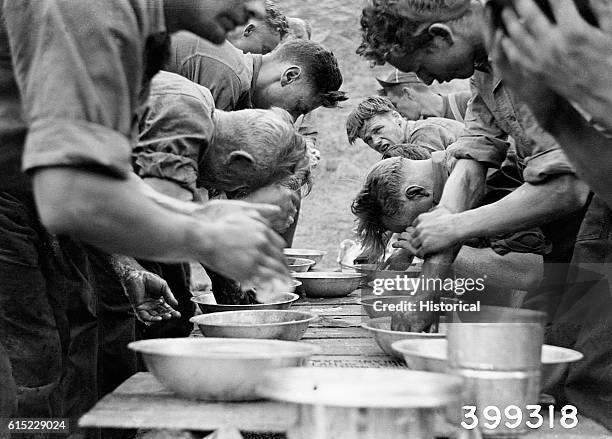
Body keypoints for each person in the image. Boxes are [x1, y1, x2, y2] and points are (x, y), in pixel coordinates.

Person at [0, 0, 293, 431]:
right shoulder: (94, 8)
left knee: (73, 333)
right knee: (30, 359)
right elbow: (73, 195)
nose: (253, 9)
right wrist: (203, 234)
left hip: (27, 195)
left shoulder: (143, 33)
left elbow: (102, 171)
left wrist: (195, 222)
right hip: (15, 201)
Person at [358, 0, 609, 429]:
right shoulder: (483, 67)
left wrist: (454, 226)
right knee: (553, 366)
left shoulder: (532, 40)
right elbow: (471, 164)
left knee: (591, 376)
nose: (424, 80)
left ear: (441, 35)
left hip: (592, 207)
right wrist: (428, 286)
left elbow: (566, 188)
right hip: (579, 215)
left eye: (420, 63)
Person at [133, 71, 308, 328]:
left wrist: (225, 275)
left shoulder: (202, 109)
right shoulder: (183, 117)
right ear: (238, 160)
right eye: (242, 185)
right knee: (113, 311)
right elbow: (158, 220)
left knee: (166, 306)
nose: (231, 190)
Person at [352, 152, 547, 298]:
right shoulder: (452, 162)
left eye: (414, 224)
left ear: (416, 192)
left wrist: (434, 248)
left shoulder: (484, 177)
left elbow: (529, 272)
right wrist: (409, 250)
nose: (417, 231)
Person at [166, 34, 346, 120]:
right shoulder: (230, 78)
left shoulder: (236, 77)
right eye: (297, 109)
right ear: (290, 76)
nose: (291, 120)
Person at [346, 96, 464, 154]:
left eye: (378, 130)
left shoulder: (423, 133)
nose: (376, 142)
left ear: (396, 117)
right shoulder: (405, 144)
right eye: (368, 140)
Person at [377, 70, 471, 121]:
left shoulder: (465, 103)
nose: (396, 112)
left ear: (408, 93)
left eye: (395, 104)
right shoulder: (425, 128)